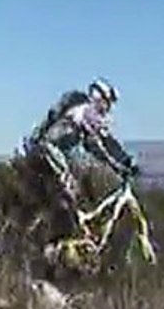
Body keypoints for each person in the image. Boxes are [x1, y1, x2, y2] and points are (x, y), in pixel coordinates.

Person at [24, 78, 140, 232]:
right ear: (99, 97)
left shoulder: (80, 109)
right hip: (51, 150)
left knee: (80, 187)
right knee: (72, 189)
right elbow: (103, 143)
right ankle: (63, 232)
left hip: (51, 150)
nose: (108, 107)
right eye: (107, 102)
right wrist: (124, 162)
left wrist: (117, 163)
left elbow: (94, 146)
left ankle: (72, 226)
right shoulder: (88, 112)